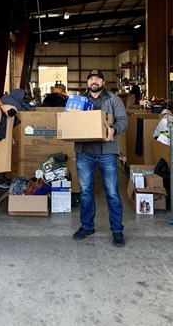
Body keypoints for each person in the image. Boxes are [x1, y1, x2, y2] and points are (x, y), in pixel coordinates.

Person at [73, 69, 128, 247]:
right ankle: (87, 226)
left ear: (103, 82)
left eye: (97, 78)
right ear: (87, 83)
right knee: (86, 192)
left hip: (107, 153)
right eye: (91, 79)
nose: (94, 81)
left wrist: (113, 129)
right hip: (84, 153)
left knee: (112, 192)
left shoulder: (113, 100)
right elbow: (70, 121)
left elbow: (123, 120)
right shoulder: (79, 101)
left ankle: (117, 230)